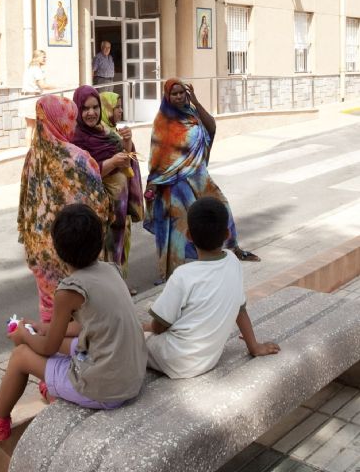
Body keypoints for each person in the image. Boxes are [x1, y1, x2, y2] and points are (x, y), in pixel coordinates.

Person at [0, 204, 147, 441]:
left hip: (105, 390)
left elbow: (48, 348)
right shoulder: (111, 270)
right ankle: (56, 386)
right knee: (68, 343)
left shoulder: (69, 290)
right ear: (100, 240)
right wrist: (43, 328)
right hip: (130, 377)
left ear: (56, 248)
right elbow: (90, 326)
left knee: (21, 356)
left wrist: (23, 335)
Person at [143, 197, 280, 379]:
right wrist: (254, 347)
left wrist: (141, 328)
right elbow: (241, 311)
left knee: (131, 334)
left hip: (175, 360)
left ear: (188, 235)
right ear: (227, 234)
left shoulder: (183, 275)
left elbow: (158, 327)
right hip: (206, 360)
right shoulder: (233, 261)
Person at [143, 78, 260, 283]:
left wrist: (196, 102)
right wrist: (154, 183)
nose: (179, 96)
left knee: (220, 207)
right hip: (175, 184)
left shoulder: (192, 113)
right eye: (174, 93)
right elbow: (157, 157)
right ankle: (174, 274)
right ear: (167, 96)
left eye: (181, 93)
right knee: (182, 225)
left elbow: (212, 127)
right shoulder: (163, 121)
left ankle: (230, 248)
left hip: (199, 176)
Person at [17, 94, 110, 322]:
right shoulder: (77, 158)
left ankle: (53, 351)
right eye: (71, 118)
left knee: (52, 314)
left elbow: (25, 203)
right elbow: (99, 204)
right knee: (79, 318)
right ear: (62, 121)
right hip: (73, 251)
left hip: (41, 252)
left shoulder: (33, 156)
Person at [72, 86, 143, 286]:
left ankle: (119, 289)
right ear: (77, 110)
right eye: (85, 108)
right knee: (100, 256)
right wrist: (112, 162)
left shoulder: (104, 132)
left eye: (95, 107)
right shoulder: (76, 138)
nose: (91, 113)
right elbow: (84, 174)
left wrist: (127, 143)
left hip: (119, 214)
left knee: (117, 252)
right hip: (98, 213)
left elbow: (127, 162)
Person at [19, 49, 55, 147]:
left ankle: (29, 150)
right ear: (37, 57)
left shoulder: (29, 68)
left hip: (25, 98)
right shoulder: (36, 69)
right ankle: (32, 150)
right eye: (43, 57)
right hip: (32, 98)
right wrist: (56, 86)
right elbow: (42, 85)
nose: (45, 59)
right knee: (34, 126)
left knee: (30, 126)